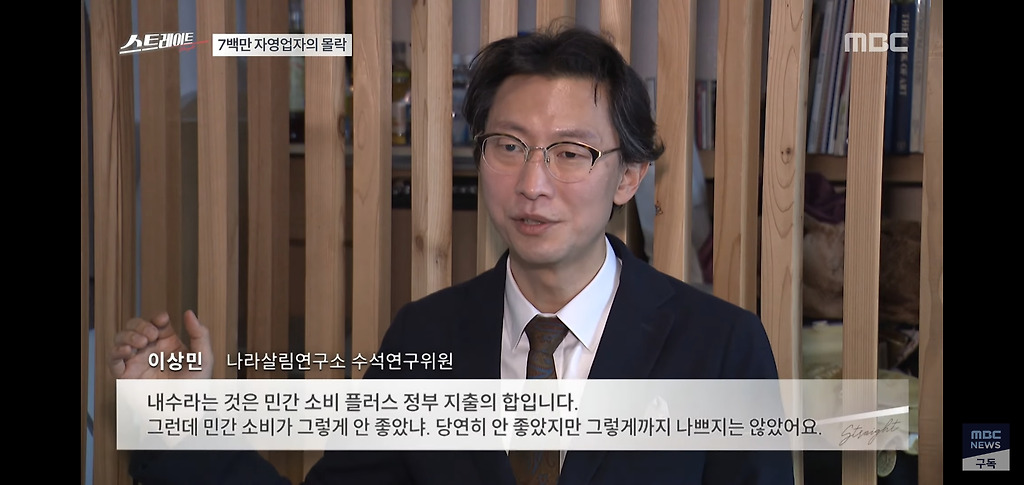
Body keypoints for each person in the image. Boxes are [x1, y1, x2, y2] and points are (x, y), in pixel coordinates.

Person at [112, 26, 794, 485]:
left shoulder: (721, 348)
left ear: (628, 176)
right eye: (508, 146)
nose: (533, 183)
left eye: (570, 152)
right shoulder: (425, 336)